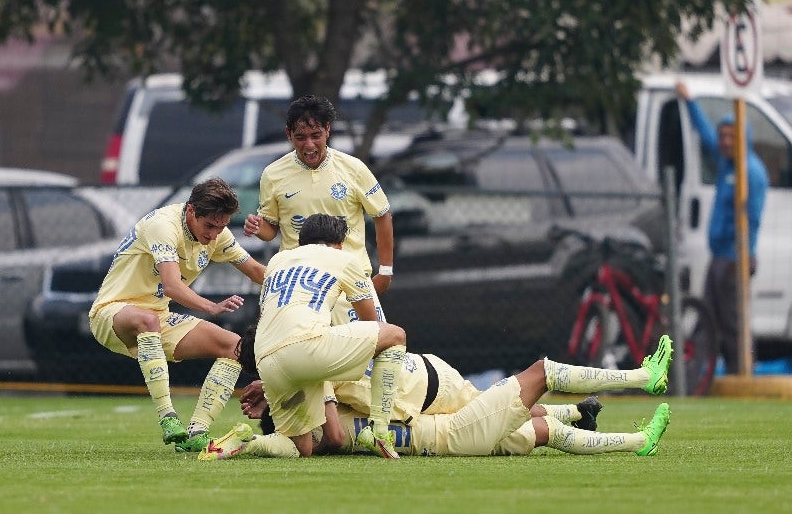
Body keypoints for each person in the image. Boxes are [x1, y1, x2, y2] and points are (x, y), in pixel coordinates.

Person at [200, 335, 674, 460]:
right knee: (541, 371)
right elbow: (321, 437)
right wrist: (247, 438)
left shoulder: (312, 407)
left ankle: (636, 442)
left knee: (538, 432)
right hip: (447, 433)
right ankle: (642, 377)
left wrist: (244, 435)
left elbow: (300, 437)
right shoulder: (321, 411)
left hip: (436, 415)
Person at [88, 178, 266, 451]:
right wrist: (211, 307)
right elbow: (171, 286)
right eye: (210, 226)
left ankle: (197, 432)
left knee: (234, 346)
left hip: (158, 318)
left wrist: (296, 286)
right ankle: (168, 418)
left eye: (222, 226)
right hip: (111, 312)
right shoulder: (163, 225)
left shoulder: (217, 234)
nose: (214, 235)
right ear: (192, 211)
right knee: (146, 320)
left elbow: (256, 272)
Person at [238, 213, 407, 458]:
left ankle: (246, 442)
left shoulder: (278, 260)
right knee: (395, 336)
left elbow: (267, 318)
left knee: (300, 448)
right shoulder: (344, 259)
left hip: (265, 357)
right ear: (339, 244)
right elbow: (372, 323)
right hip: (306, 348)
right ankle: (380, 431)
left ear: (301, 243)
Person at [243, 94, 394, 325]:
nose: (309, 145)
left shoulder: (353, 168)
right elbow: (271, 230)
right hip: (299, 286)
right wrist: (258, 227)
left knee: (372, 351)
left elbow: (382, 215)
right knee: (301, 357)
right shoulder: (273, 174)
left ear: (327, 130)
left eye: (316, 136)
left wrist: (385, 270)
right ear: (289, 135)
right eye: (300, 137)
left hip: (349, 282)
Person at [675, 81, 769, 374]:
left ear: (743, 138)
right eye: (723, 136)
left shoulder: (749, 171)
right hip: (719, 258)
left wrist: (745, 256)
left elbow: (751, 219)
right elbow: (704, 132)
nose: (725, 141)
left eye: (731, 136)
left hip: (733, 259)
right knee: (708, 318)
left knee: (733, 323)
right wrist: (689, 101)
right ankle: (701, 378)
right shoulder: (727, 164)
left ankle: (742, 373)